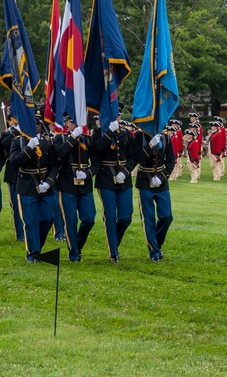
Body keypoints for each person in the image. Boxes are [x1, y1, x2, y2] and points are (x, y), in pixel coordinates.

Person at [10, 118, 60, 262]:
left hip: (45, 185)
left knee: (47, 218)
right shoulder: (18, 142)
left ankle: (37, 246)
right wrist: (29, 148)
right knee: (30, 221)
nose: (36, 126)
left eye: (38, 123)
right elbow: (15, 162)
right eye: (33, 123)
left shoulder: (47, 142)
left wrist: (50, 182)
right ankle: (33, 253)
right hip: (26, 185)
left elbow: (54, 165)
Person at [52, 113, 98, 262]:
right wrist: (73, 137)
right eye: (73, 121)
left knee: (89, 218)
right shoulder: (60, 138)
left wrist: (88, 173)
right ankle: (73, 253)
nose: (77, 123)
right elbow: (60, 153)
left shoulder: (88, 140)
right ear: (67, 124)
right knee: (70, 221)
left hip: (84, 184)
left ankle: (77, 244)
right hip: (67, 184)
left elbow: (97, 163)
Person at [92, 107, 135, 263]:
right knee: (110, 216)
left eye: (118, 115)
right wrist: (109, 132)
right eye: (113, 115)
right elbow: (97, 148)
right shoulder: (98, 133)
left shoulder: (125, 133)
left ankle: (113, 241)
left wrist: (126, 171)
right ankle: (113, 252)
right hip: (106, 179)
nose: (117, 117)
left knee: (126, 216)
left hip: (124, 178)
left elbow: (132, 156)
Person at [130, 124, 175, 261]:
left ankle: (157, 243)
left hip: (160, 182)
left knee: (167, 216)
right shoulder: (139, 136)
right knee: (148, 218)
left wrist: (162, 177)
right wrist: (150, 146)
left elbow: (171, 162)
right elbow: (137, 157)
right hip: (144, 180)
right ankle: (154, 251)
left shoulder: (166, 138)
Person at [0, 113, 25, 241]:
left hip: (26, 172)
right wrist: (16, 131)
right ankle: (20, 233)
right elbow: (5, 143)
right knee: (15, 204)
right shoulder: (6, 134)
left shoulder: (27, 131)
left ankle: (27, 230)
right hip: (13, 173)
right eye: (13, 120)